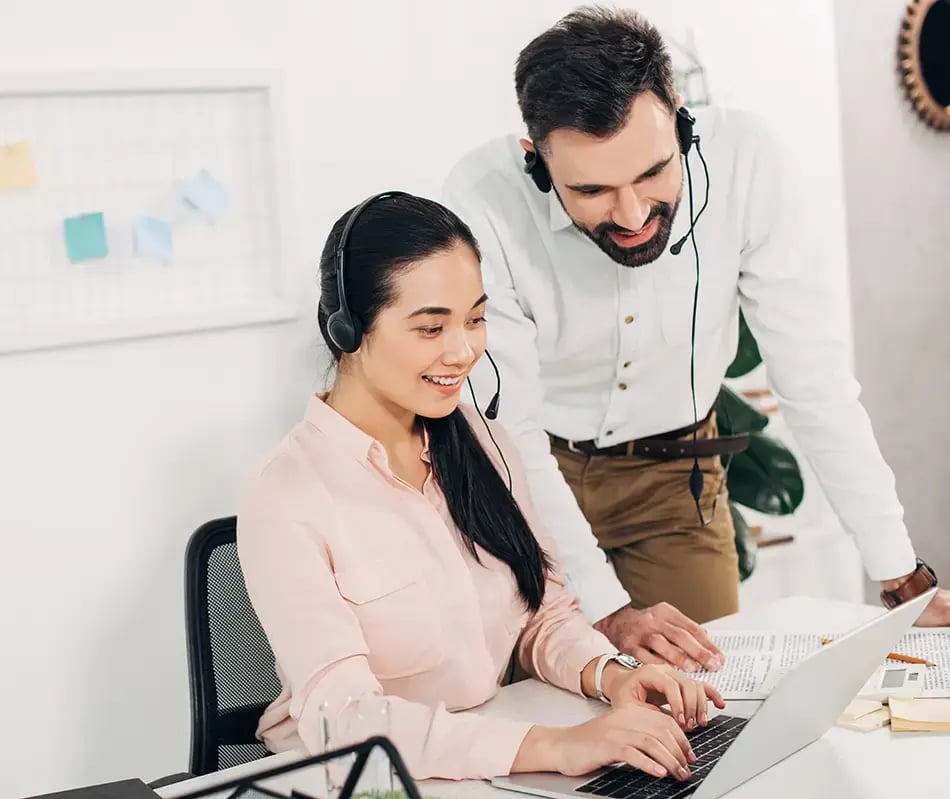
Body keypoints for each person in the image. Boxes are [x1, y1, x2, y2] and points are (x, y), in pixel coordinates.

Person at [441, 6, 948, 643]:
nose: (631, 214)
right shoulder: (483, 198)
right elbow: (507, 428)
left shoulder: (749, 164)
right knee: (553, 709)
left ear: (680, 114)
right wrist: (603, 610)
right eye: (593, 190)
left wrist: (897, 569)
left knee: (716, 696)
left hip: (675, 478)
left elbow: (814, 380)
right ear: (534, 160)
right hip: (535, 479)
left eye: (653, 172)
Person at [237, 191, 725, 782]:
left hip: (487, 764)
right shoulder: (286, 497)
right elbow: (347, 721)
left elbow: (542, 614)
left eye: (474, 319)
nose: (464, 350)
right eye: (431, 327)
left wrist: (612, 675)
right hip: (357, 782)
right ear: (349, 330)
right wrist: (557, 746)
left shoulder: (481, 441)